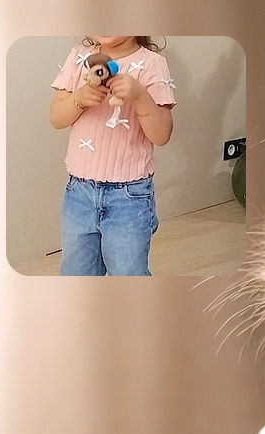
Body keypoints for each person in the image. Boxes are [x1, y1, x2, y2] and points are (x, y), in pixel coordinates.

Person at [50, 36, 175, 276]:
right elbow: (56, 118)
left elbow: (161, 135)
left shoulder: (152, 63)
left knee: (128, 273)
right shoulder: (79, 57)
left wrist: (140, 96)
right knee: (76, 272)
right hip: (79, 194)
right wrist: (78, 99)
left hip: (129, 197)